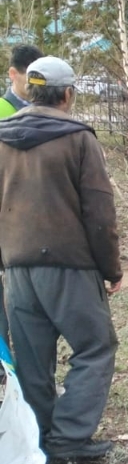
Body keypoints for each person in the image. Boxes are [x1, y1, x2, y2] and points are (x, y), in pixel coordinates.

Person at [0, 55, 122, 461]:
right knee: (95, 347)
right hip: (69, 265)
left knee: (33, 360)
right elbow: (99, 212)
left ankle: (40, 437)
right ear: (68, 94)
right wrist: (111, 268)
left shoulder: (1, 137)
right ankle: (68, 441)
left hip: (17, 268)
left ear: (31, 90)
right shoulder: (77, 137)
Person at [0, 43, 43, 344]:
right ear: (12, 74)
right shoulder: (3, 110)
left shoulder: (46, 109)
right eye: (28, 76)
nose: (32, 84)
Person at [0, 43, 43, 118]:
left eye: (42, 76)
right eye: (33, 76)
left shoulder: (50, 109)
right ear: (13, 74)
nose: (38, 82)